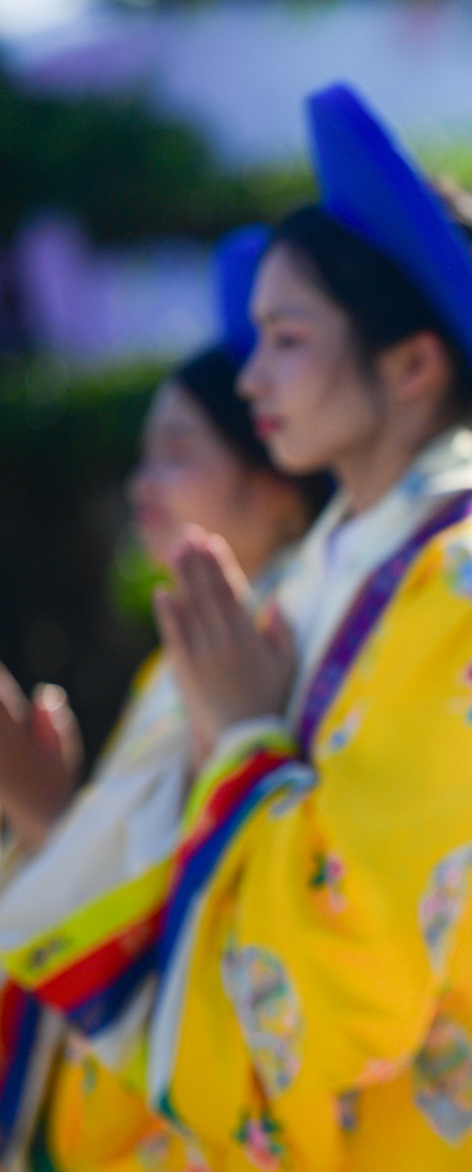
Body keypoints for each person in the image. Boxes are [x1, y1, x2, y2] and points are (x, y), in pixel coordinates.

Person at [23, 82, 472, 1172]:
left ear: (410, 365)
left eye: (287, 339)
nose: (250, 378)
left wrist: (246, 740)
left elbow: (367, 955)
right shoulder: (338, 577)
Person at [0, 226, 330, 1168]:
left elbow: (198, 922)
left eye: (177, 453)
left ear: (274, 485)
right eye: (143, 458)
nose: (143, 487)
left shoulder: (284, 652)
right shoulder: (186, 659)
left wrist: (43, 809)